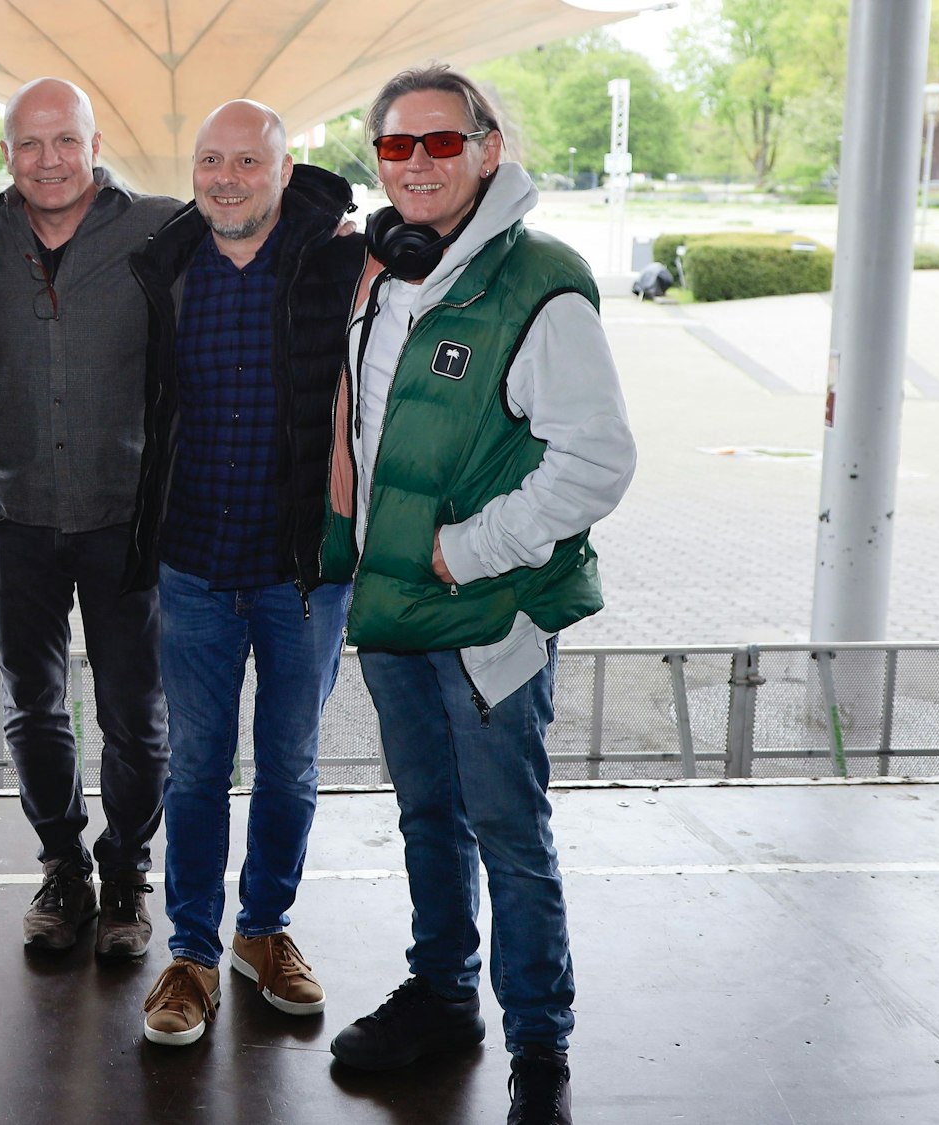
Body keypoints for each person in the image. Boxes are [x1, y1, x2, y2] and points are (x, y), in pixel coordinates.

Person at [321, 66, 635, 1125]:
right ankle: (443, 998)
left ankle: (538, 1048)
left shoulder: (538, 282)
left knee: (507, 829)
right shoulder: (386, 278)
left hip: (484, 618)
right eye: (395, 147)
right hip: (395, 612)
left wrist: (466, 550)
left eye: (439, 143)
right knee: (424, 817)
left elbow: (594, 460)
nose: (415, 163)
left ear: (487, 150)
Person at [124, 100, 365, 1046]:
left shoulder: (335, 257)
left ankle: (263, 931)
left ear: (284, 165)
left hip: (302, 572)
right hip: (191, 566)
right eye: (210, 161)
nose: (227, 178)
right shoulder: (169, 265)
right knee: (195, 769)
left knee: (292, 767)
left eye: (247, 162)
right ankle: (190, 950)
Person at [0, 78, 178, 959]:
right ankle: (63, 863)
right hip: (14, 510)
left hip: (124, 516)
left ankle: (128, 868)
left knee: (136, 712)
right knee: (33, 703)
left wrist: (328, 225)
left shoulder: (159, 227)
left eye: (66, 142)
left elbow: (262, 216)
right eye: (30, 144)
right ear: (8, 153)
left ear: (95, 145)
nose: (49, 161)